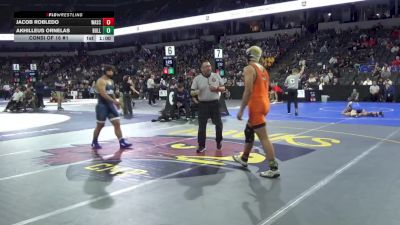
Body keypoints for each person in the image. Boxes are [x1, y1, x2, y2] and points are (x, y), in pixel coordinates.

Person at [233, 46, 280, 178]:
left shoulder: (249, 68)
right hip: (265, 104)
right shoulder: (263, 69)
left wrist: (241, 110)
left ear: (248, 55)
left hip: (256, 106)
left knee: (263, 137)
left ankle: (273, 167)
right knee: (249, 131)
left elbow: (248, 91)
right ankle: (244, 158)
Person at [91, 65, 132, 150]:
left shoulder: (111, 81)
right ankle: (94, 142)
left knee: (117, 123)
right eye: (111, 71)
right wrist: (114, 101)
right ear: (107, 71)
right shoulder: (100, 81)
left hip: (110, 105)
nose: (113, 73)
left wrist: (115, 101)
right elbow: (103, 94)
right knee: (100, 125)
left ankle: (122, 142)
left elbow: (111, 93)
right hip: (102, 106)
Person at [191, 61, 225, 153]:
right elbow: (192, 92)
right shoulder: (197, 79)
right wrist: (198, 92)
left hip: (215, 103)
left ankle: (219, 141)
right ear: (202, 69)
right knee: (202, 126)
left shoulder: (216, 76)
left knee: (218, 124)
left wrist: (217, 89)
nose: (209, 68)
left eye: (209, 66)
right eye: (206, 66)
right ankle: (201, 145)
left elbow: (223, 88)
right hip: (203, 104)